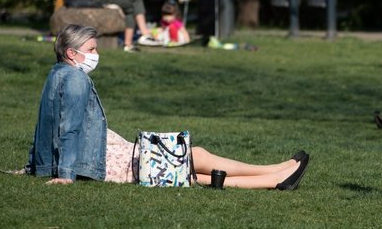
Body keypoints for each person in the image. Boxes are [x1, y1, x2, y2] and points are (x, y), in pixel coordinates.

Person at [28, 24, 309, 189]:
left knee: (188, 170)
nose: (96, 55)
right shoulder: (75, 80)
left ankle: (277, 173)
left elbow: (46, 125)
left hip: (100, 155)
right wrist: (64, 174)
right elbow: (68, 129)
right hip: (99, 161)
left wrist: (35, 165)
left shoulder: (57, 74)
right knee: (190, 160)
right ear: (71, 53)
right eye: (91, 50)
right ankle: (274, 175)